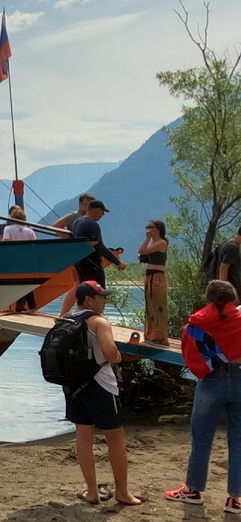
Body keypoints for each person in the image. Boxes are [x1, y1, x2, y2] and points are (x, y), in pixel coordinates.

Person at [164, 280, 241, 513]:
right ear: (233, 299)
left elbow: (191, 352)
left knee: (201, 437)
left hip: (211, 380)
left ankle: (193, 490)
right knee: (238, 441)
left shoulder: (197, 323)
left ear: (209, 298)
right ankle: (235, 500)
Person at [66, 280, 144, 506]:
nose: (105, 300)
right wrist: (119, 357)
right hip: (102, 386)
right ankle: (122, 492)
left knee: (83, 436)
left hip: (73, 387)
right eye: (101, 296)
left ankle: (92, 492)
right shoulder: (99, 322)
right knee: (115, 438)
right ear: (89, 299)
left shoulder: (67, 320)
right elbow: (110, 353)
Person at [59, 201, 126, 316]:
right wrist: (117, 262)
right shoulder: (92, 224)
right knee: (99, 292)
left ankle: (81, 316)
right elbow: (98, 245)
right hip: (93, 264)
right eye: (102, 212)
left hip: (80, 262)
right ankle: (96, 318)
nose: (102, 215)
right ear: (95, 210)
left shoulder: (76, 222)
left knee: (84, 292)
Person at [138, 219, 169, 345]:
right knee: (150, 306)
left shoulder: (162, 243)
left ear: (158, 229)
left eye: (150, 227)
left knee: (158, 306)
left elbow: (143, 251)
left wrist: (147, 239)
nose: (148, 229)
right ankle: (151, 334)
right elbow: (142, 251)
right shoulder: (153, 243)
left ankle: (160, 336)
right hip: (149, 276)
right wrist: (148, 239)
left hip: (157, 277)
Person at [2, 205, 37, 313]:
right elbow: (35, 244)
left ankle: (8, 307)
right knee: (28, 285)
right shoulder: (30, 231)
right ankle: (32, 308)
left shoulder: (8, 229)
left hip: (13, 260)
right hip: (26, 260)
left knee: (10, 283)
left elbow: (5, 243)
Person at [216, 224, 241, 299]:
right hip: (231, 289)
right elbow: (223, 268)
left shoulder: (227, 243)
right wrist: (224, 292)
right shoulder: (233, 248)